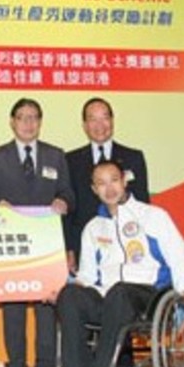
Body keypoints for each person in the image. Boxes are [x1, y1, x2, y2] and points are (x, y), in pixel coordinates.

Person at [55, 160, 184, 367]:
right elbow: (88, 276)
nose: (109, 188)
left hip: (146, 297)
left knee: (120, 292)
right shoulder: (92, 228)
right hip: (109, 298)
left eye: (113, 180)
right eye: (101, 183)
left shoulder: (153, 217)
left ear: (124, 181)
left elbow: (182, 261)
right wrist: (68, 290)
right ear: (93, 189)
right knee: (69, 294)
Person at [0, 98, 75, 367]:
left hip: (46, 246)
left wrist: (63, 201)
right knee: (13, 309)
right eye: (22, 117)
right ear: (12, 122)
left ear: (40, 122)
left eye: (33, 117)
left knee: (46, 309)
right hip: (12, 244)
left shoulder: (56, 155)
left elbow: (69, 193)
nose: (28, 123)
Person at [64, 97, 149, 272]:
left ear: (112, 120)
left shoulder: (134, 157)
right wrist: (69, 248)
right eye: (92, 119)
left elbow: (142, 202)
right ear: (85, 125)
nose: (99, 125)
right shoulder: (70, 160)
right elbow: (69, 211)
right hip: (86, 246)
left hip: (129, 242)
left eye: (104, 118)